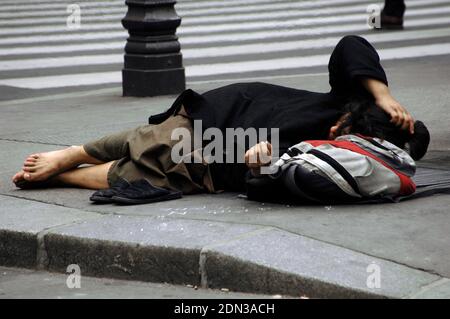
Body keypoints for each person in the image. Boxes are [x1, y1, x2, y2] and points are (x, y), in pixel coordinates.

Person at [12, 35, 426, 195]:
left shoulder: (340, 158)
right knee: (161, 142)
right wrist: (383, 93)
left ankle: (62, 174)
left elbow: (266, 185)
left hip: (217, 166)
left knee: (142, 174)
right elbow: (352, 45)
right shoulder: (349, 100)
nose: (335, 130)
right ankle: (71, 154)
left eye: (343, 133)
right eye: (342, 126)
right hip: (222, 116)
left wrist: (260, 165)